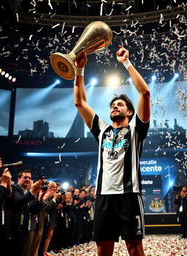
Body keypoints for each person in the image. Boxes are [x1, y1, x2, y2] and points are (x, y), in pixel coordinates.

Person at [73, 45, 150, 256]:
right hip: (103, 197)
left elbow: (145, 92)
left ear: (130, 111)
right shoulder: (102, 130)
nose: (115, 106)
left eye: (120, 104)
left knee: (134, 249)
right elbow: (79, 103)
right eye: (112, 105)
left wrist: (126, 63)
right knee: (103, 250)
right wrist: (80, 70)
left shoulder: (136, 130)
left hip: (129, 197)